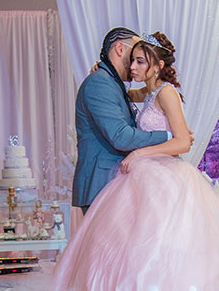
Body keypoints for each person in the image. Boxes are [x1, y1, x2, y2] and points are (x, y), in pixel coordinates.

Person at [51, 32, 219, 291]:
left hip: (160, 174)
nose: (134, 66)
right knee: (133, 252)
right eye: (133, 59)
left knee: (158, 248)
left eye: (141, 61)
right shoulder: (140, 91)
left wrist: (143, 151)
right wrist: (102, 72)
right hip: (134, 175)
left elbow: (182, 142)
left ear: (158, 65)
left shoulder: (165, 92)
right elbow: (121, 103)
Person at [72, 27, 175, 215]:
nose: (136, 62)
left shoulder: (111, 82)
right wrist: (169, 136)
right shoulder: (100, 82)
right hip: (102, 183)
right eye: (134, 54)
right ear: (120, 49)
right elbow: (121, 136)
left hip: (117, 183)